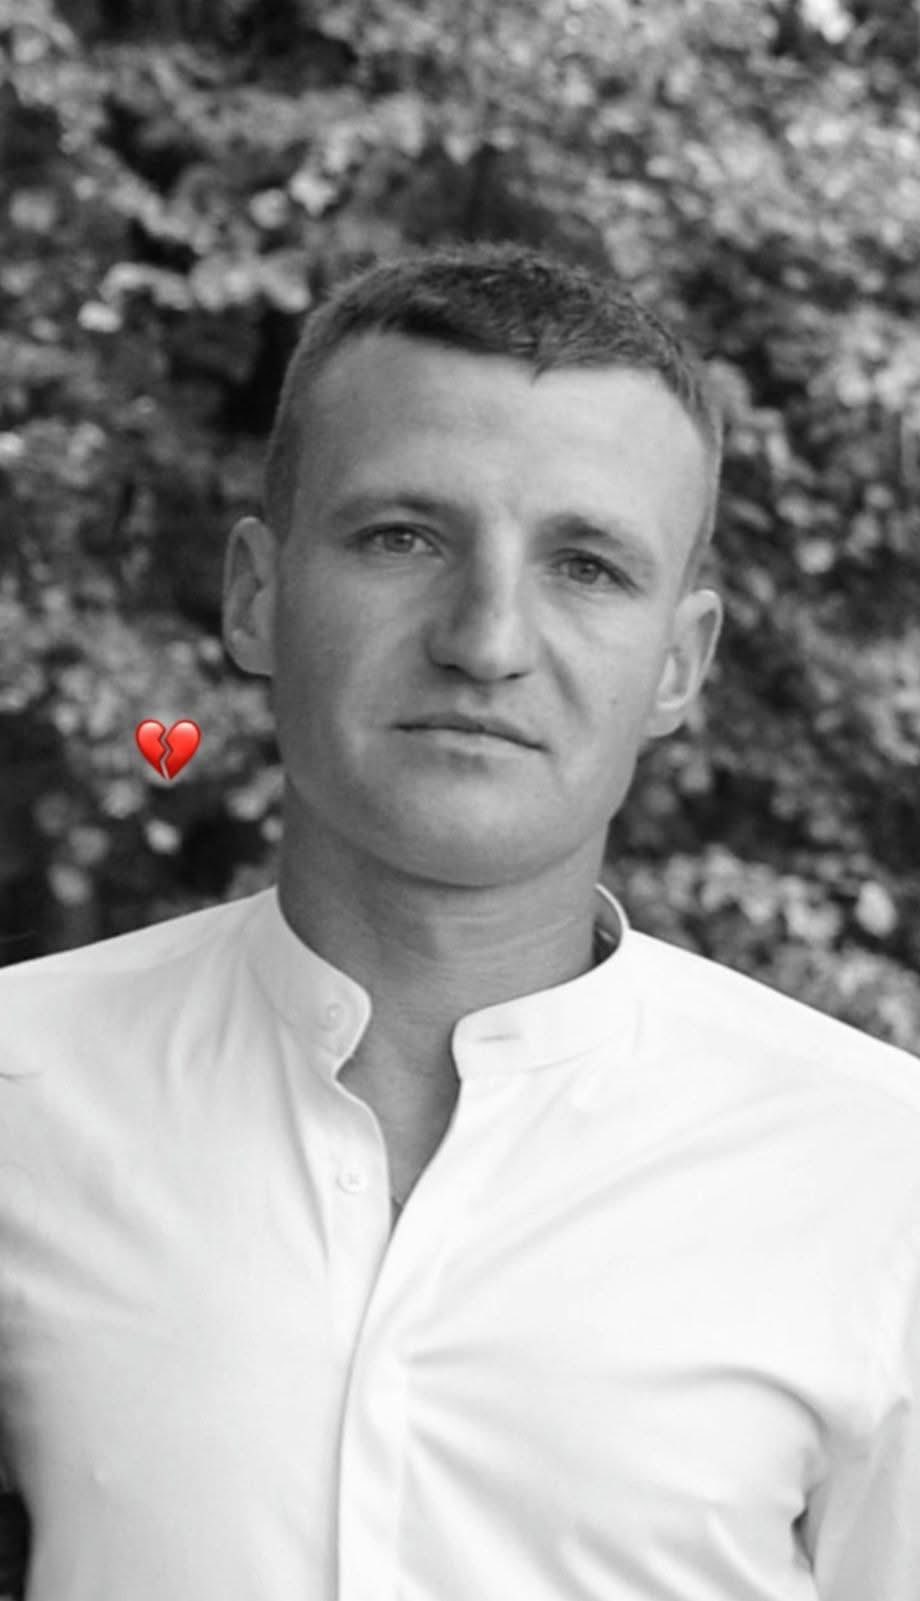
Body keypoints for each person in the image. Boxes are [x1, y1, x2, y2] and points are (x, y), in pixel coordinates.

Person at [1, 241, 919, 1601]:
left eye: (587, 566)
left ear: (679, 664)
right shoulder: (21, 1093)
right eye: (403, 537)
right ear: (256, 593)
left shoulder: (883, 1176)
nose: (486, 640)